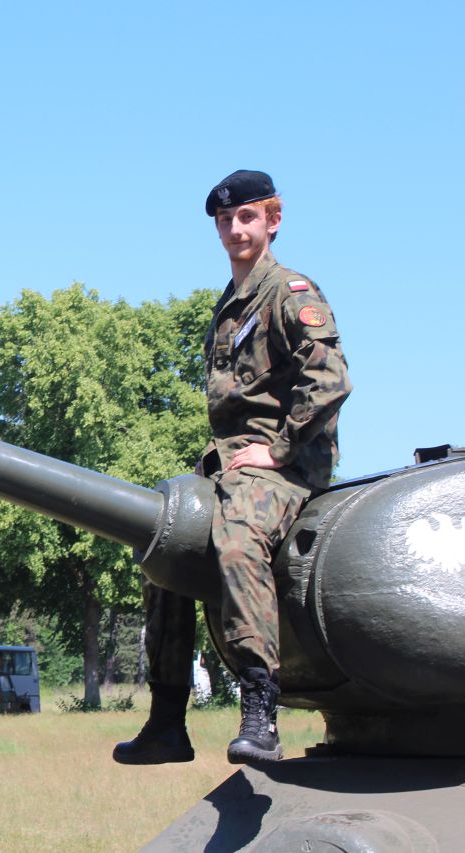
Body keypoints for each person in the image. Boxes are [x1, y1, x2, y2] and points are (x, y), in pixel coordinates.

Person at [114, 170, 351, 765]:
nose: (235, 229)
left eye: (247, 217)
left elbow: (330, 380)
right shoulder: (229, 304)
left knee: (238, 538)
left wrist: (281, 449)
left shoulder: (289, 292)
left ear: (273, 219)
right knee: (164, 545)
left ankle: (259, 711)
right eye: (225, 220)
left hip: (285, 468)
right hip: (231, 465)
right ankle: (167, 722)